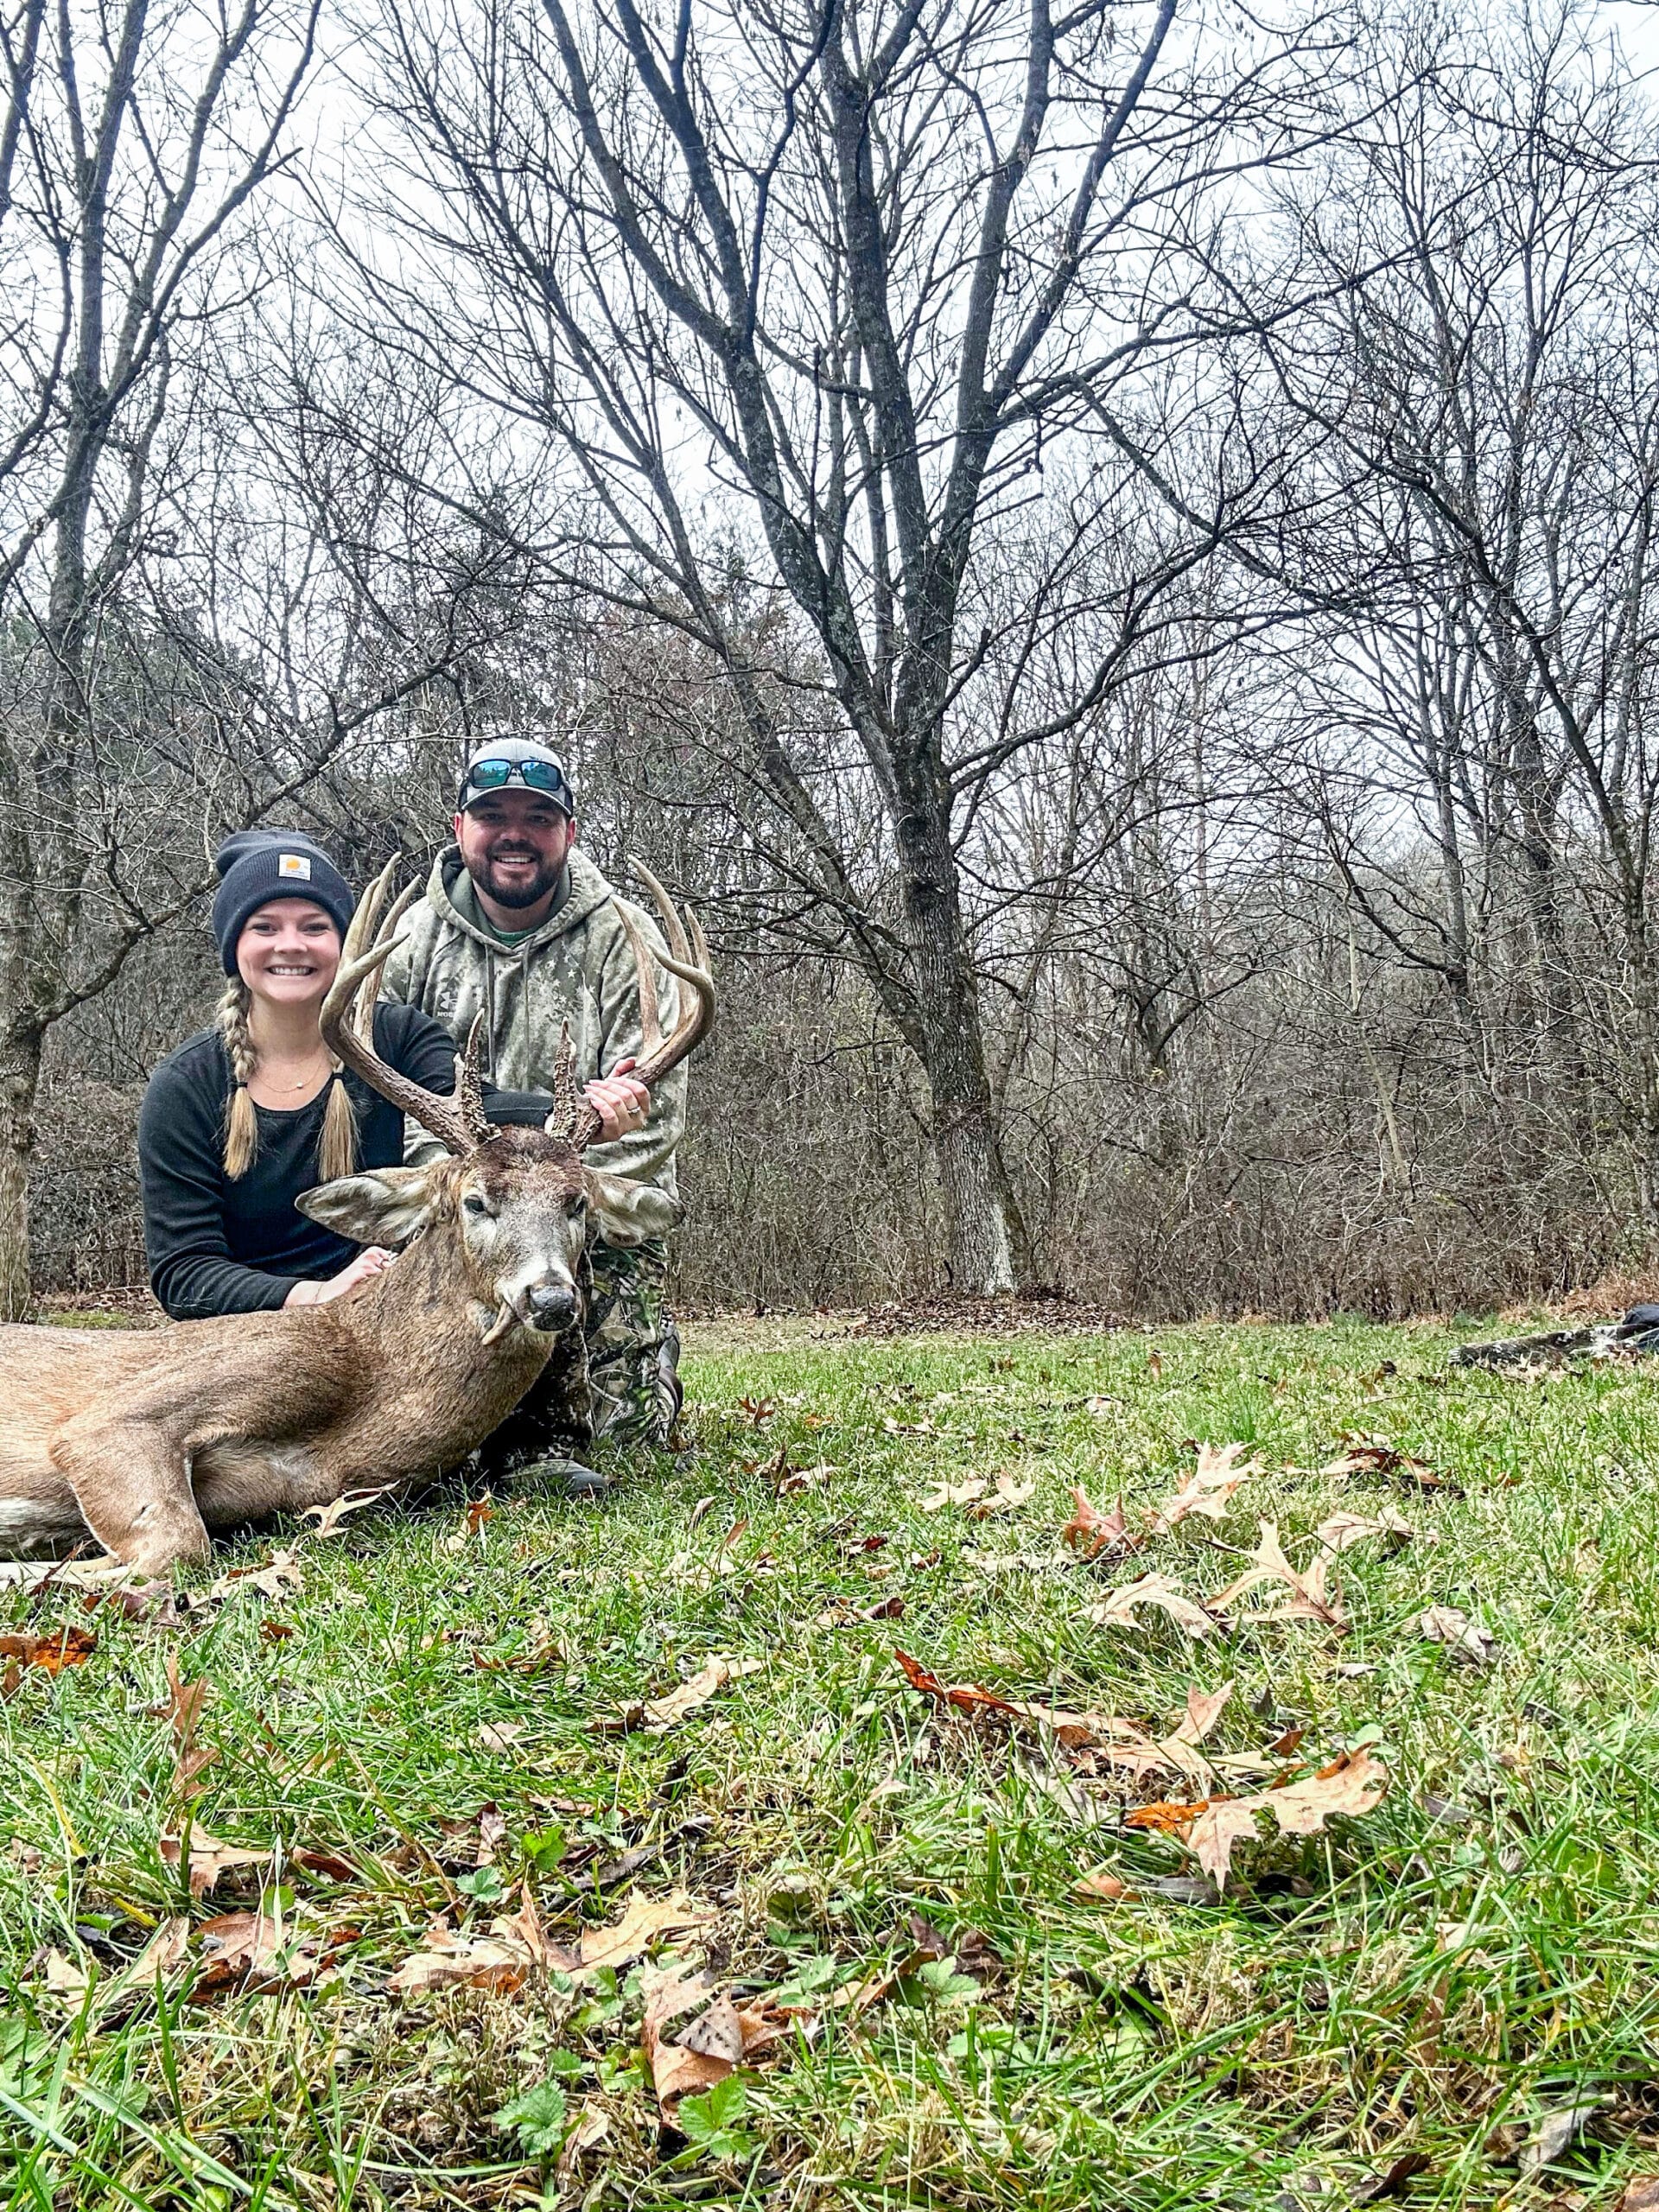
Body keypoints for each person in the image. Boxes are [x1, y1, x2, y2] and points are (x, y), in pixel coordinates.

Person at [378, 735, 687, 1486]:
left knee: (630, 1438)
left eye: (538, 818)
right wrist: (454, 1191)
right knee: (408, 1432)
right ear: (460, 829)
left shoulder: (628, 938)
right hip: (460, 1213)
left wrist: (595, 1156)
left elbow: (658, 1108)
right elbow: (384, 1088)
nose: (514, 834)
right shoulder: (410, 939)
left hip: (587, 1217)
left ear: (569, 834)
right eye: (494, 815)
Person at [138, 829, 549, 1320]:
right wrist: (318, 1294)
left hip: (387, 1319)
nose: (291, 946)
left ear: (342, 945)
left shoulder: (396, 1038)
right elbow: (184, 1273)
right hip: (245, 1335)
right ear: (234, 946)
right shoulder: (187, 1085)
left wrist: (595, 1107)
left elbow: (474, 1107)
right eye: (264, 928)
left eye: (314, 928)